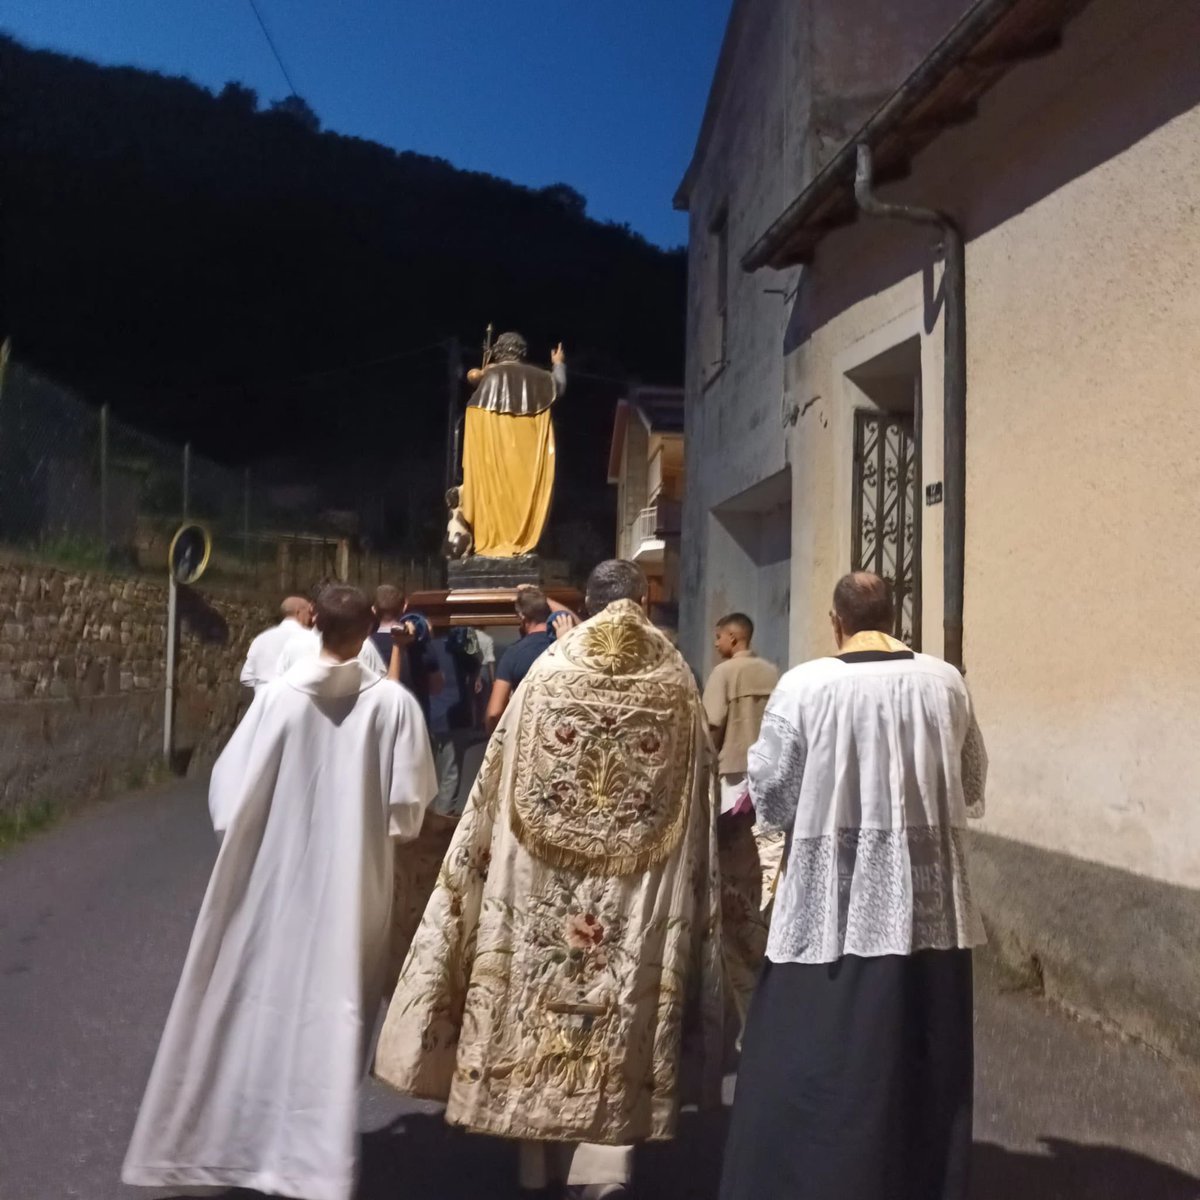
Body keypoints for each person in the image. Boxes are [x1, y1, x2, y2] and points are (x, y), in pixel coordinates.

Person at [374, 559, 725, 1200]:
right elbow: (701, 784)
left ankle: (534, 1164)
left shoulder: (550, 671)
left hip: (539, 878)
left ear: (586, 605)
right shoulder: (675, 677)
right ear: (644, 600)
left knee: (529, 1000)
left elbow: (496, 775)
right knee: (624, 1000)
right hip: (640, 882)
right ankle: (602, 1169)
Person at [122, 586, 438, 1200]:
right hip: (354, 882)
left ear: (313, 621)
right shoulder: (394, 707)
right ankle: (310, 1158)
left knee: (259, 1003)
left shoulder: (277, 701)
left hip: (273, 879)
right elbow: (407, 813)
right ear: (371, 626)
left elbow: (229, 796)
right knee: (335, 1009)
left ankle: (244, 1144)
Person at [718, 572, 988, 1200]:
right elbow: (971, 781)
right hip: (928, 907)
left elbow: (776, 795)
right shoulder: (945, 681)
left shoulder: (805, 685)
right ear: (894, 616)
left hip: (832, 905)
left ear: (834, 621)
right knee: (923, 1057)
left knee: (817, 1054)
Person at [701, 613, 784, 1025]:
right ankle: (762, 919)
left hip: (732, 772)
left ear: (734, 637)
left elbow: (711, 724)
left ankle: (737, 925)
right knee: (765, 856)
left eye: (719, 637)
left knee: (729, 854)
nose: (716, 644)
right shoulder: (772, 671)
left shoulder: (724, 674)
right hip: (767, 773)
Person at [459, 332, 566, 557]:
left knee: (491, 487)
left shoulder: (488, 376)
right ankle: (521, 538)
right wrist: (558, 364)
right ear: (522, 352)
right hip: (526, 453)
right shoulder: (538, 377)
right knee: (522, 492)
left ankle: (492, 538)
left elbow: (472, 379)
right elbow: (559, 386)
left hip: (489, 441)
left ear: (497, 352)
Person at [367, 584, 443, 724]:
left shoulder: (366, 645)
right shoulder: (421, 645)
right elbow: (436, 687)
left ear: (373, 610)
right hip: (414, 721)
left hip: (378, 722)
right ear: (404, 606)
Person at [484, 585, 556, 732]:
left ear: (523, 617)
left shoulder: (514, 654)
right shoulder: (565, 645)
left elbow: (494, 713)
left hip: (527, 735)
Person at [239, 595, 313, 692]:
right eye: (309, 612)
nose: (311, 617)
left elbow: (245, 677)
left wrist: (263, 688)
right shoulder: (310, 638)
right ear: (298, 612)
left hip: (263, 703)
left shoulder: (260, 639)